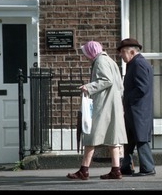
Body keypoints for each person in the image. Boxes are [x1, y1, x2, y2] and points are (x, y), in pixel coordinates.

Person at [67, 41, 128, 180]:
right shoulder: (110, 60)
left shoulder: (100, 60)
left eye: (86, 53)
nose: (86, 56)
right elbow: (118, 84)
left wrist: (88, 87)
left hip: (104, 105)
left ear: (91, 51)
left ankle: (84, 170)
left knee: (91, 135)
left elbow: (106, 80)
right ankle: (116, 170)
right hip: (114, 104)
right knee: (113, 138)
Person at [117, 38, 156, 176]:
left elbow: (142, 88)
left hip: (138, 110)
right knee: (129, 139)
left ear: (132, 52)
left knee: (141, 139)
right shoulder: (134, 63)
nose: (120, 55)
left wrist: (126, 98)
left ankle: (148, 167)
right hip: (134, 110)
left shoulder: (138, 64)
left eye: (122, 52)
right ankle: (126, 167)